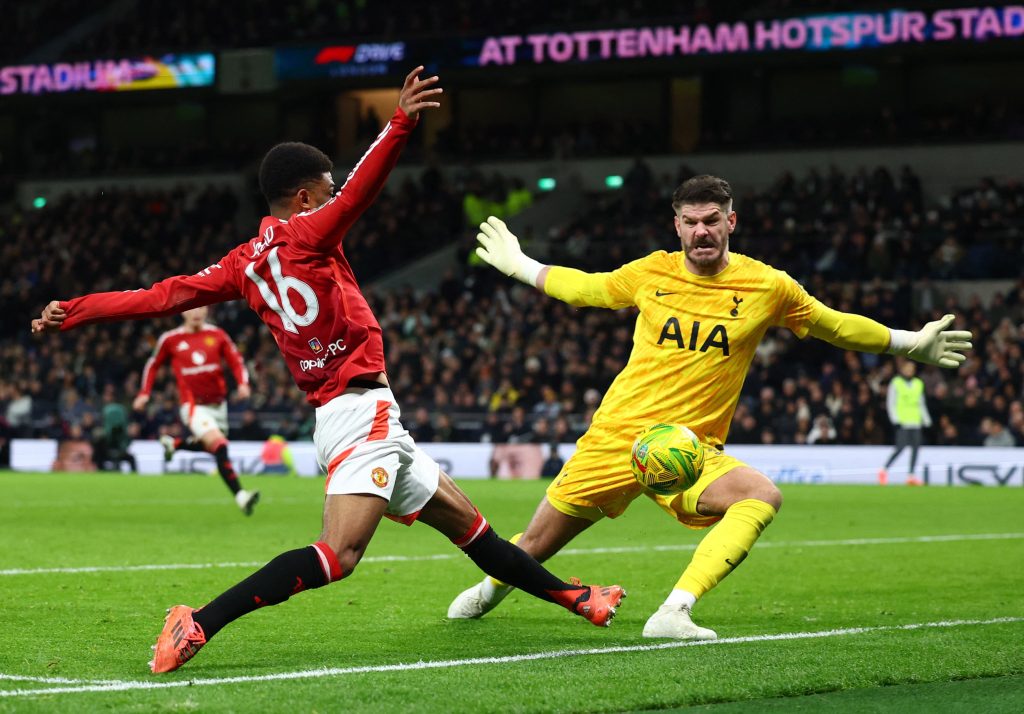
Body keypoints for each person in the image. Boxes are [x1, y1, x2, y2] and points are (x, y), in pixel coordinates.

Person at [32, 67, 624, 675]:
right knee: (338, 555)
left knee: (475, 532)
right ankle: (198, 622)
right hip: (357, 413)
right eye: (327, 188)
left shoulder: (240, 264)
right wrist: (400, 122)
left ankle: (581, 601)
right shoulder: (310, 234)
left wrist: (74, 311)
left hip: (364, 415)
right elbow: (363, 189)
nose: (336, 194)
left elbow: (160, 296)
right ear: (306, 198)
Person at [449, 175, 972, 640]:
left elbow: (832, 323)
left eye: (712, 220)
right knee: (535, 543)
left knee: (760, 496)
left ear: (731, 222)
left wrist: (907, 342)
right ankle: (493, 589)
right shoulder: (651, 273)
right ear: (676, 226)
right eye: (691, 222)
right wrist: (522, 266)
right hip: (616, 438)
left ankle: (674, 611)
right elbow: (589, 289)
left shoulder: (767, 285)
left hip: (690, 450)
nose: (702, 231)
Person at [135, 306, 259, 514]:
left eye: (201, 307)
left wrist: (243, 383)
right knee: (219, 445)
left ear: (208, 309)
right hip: (193, 406)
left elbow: (236, 360)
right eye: (192, 308)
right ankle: (240, 495)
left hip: (219, 406)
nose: (196, 312)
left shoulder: (217, 335)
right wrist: (144, 393)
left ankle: (174, 444)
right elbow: (153, 364)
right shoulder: (171, 339)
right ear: (183, 312)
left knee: (212, 445)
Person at [878, 360, 931, 486]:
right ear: (902, 369)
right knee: (900, 448)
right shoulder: (896, 382)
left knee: (916, 449)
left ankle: (911, 476)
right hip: (902, 421)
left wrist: (926, 419)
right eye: (907, 368)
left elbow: (921, 402)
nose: (909, 371)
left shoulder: (918, 383)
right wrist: (894, 419)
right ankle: (883, 470)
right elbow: (891, 402)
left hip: (916, 421)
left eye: (912, 369)